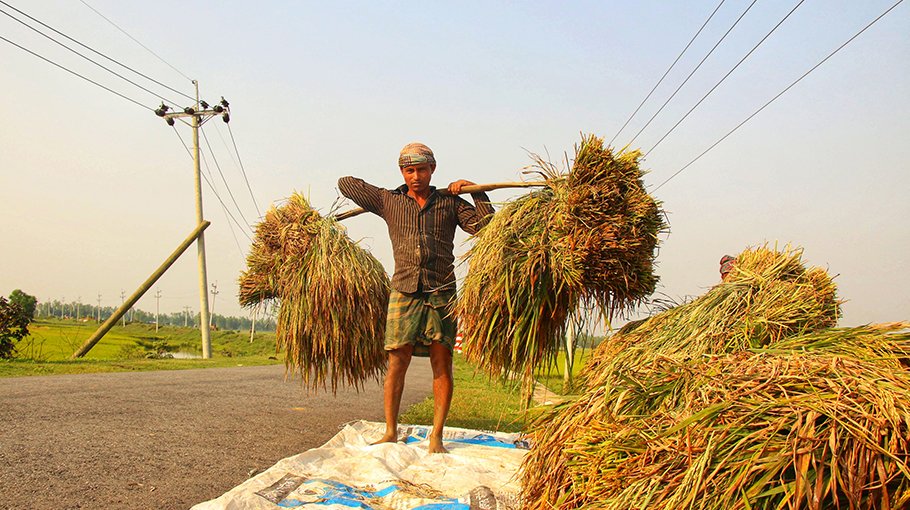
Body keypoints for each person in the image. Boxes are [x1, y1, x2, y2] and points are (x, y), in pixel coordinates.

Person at [338, 142, 494, 453]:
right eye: (409, 170)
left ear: (432, 170)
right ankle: (390, 430)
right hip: (404, 288)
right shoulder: (389, 201)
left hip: (441, 290)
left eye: (421, 169)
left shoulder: (449, 203)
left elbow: (486, 227)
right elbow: (345, 184)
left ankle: (436, 435)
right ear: (402, 172)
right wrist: (383, 195)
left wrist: (475, 192)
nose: (416, 176)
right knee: (398, 359)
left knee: (442, 360)